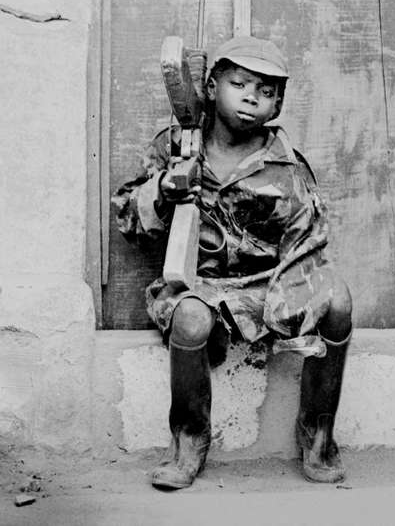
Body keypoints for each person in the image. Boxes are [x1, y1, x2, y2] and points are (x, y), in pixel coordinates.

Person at [112, 35, 353, 489]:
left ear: (277, 104)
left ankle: (318, 432)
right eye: (238, 83)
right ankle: (189, 440)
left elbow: (309, 243)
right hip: (198, 286)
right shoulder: (178, 146)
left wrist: (288, 306)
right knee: (188, 319)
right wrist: (165, 189)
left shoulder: (286, 166)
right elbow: (128, 217)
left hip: (269, 283)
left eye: (265, 92)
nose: (250, 98)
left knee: (337, 300)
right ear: (210, 85)